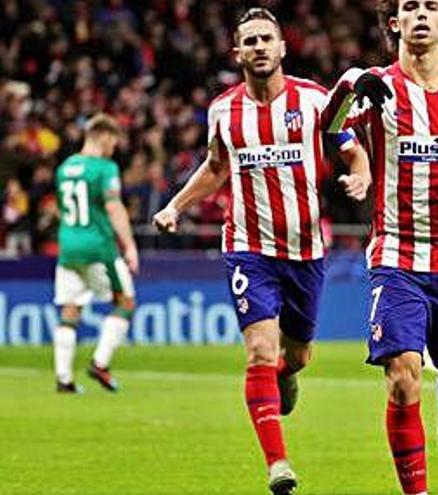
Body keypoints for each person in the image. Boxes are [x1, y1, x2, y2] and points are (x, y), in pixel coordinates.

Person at [152, 8, 369, 495]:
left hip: (307, 250)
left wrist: (361, 175)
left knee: (295, 355)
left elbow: (351, 148)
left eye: (266, 39)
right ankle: (278, 464)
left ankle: (287, 374)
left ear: (282, 47)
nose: (259, 47)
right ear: (238, 53)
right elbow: (215, 167)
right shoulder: (223, 111)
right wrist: (176, 205)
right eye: (249, 41)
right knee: (258, 353)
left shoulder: (316, 101)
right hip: (249, 248)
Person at [324, 1, 438, 492]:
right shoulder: (378, 87)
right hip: (397, 258)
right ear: (395, 23)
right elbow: (330, 129)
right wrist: (348, 87)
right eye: (411, 7)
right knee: (403, 375)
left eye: (432, 6)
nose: (422, 14)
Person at [53, 113, 138, 394]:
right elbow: (113, 207)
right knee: (125, 302)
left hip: (68, 246)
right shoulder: (104, 168)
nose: (115, 146)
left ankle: (64, 379)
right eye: (113, 139)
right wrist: (129, 246)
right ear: (102, 135)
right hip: (98, 248)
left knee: (70, 309)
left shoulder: (65, 167)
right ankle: (100, 364)